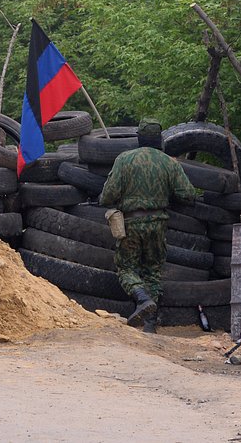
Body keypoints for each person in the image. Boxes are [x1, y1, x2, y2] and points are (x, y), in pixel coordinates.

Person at [98, 118, 196, 333]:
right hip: (158, 222)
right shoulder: (169, 163)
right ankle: (150, 325)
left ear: (139, 138)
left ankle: (142, 299)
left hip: (132, 222)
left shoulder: (125, 159)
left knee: (126, 267)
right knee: (152, 271)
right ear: (159, 140)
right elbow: (188, 195)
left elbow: (108, 195)